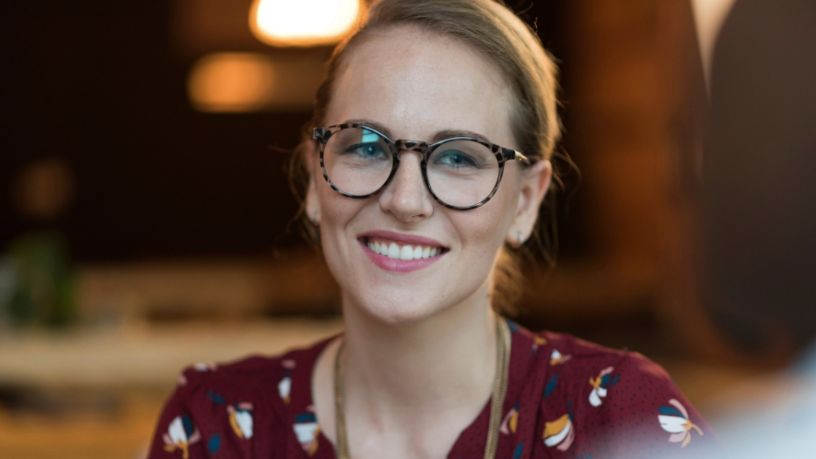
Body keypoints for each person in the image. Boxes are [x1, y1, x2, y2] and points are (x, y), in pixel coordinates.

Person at [148, 1, 711, 457]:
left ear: (525, 202)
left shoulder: (621, 421)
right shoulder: (216, 425)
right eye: (367, 146)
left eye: (460, 158)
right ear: (314, 180)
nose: (405, 199)